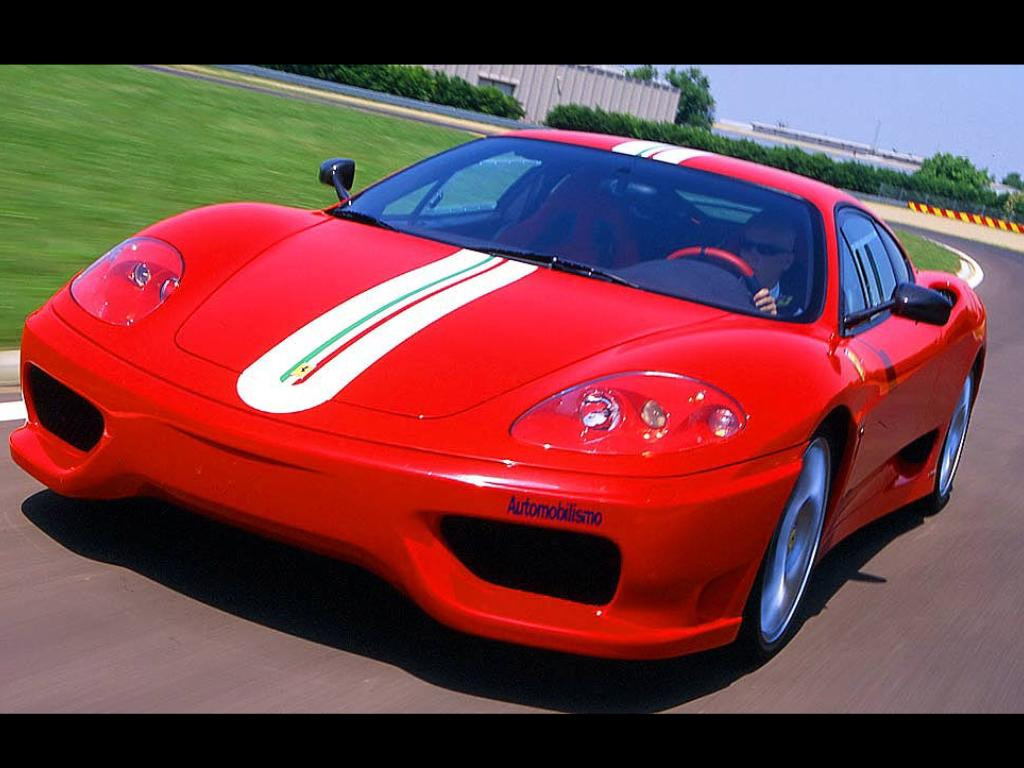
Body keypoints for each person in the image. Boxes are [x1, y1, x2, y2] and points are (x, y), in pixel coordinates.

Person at [739, 213, 799, 316]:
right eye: (747, 245)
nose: (752, 256)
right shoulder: (717, 283)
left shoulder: (796, 314)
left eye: (766, 250)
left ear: (787, 261)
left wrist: (772, 321)